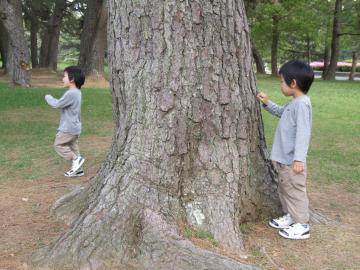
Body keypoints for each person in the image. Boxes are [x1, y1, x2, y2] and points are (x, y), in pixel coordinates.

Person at [257, 60, 314, 240]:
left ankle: (302, 225)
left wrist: (299, 159)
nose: (281, 85)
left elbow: (303, 134)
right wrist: (267, 103)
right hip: (284, 159)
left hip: (292, 162)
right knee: (285, 189)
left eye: (282, 82)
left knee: (295, 191)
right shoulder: (294, 102)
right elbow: (282, 112)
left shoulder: (303, 104)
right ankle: (292, 216)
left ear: (293, 83)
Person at [45, 66, 86, 177]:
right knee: (73, 146)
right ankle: (79, 169)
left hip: (68, 128)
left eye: (64, 76)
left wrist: (48, 97)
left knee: (58, 145)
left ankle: (76, 159)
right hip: (75, 127)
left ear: (72, 79)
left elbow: (57, 104)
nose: (63, 79)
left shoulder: (71, 93)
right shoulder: (77, 92)